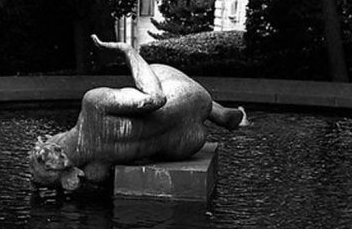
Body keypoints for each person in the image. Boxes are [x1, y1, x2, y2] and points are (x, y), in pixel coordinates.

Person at [28, 34, 246, 192]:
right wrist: (129, 52)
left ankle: (219, 114)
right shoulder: (93, 104)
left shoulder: (96, 170)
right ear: (54, 143)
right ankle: (218, 113)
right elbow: (156, 99)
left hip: (186, 143)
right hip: (191, 97)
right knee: (154, 73)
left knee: (148, 126)